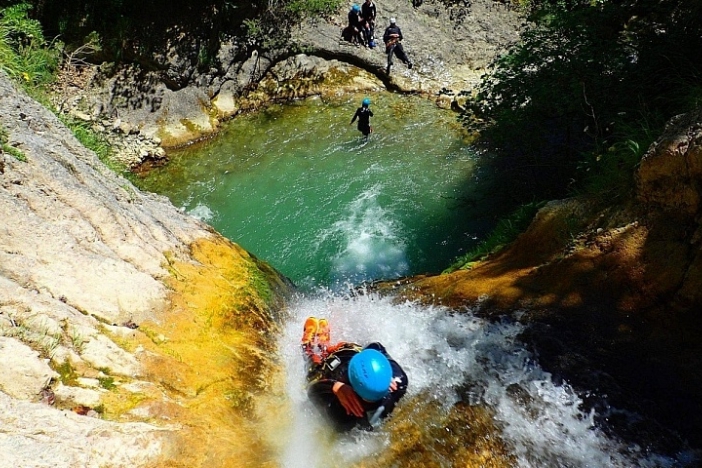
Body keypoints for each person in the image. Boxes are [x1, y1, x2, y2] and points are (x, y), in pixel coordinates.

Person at [301, 316, 409, 432]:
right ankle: (321, 345)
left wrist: (335, 387)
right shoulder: (400, 380)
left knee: (314, 362)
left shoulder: (342, 413)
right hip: (350, 352)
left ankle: (314, 344)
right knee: (335, 351)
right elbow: (376, 346)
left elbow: (313, 390)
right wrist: (386, 374)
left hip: (339, 361)